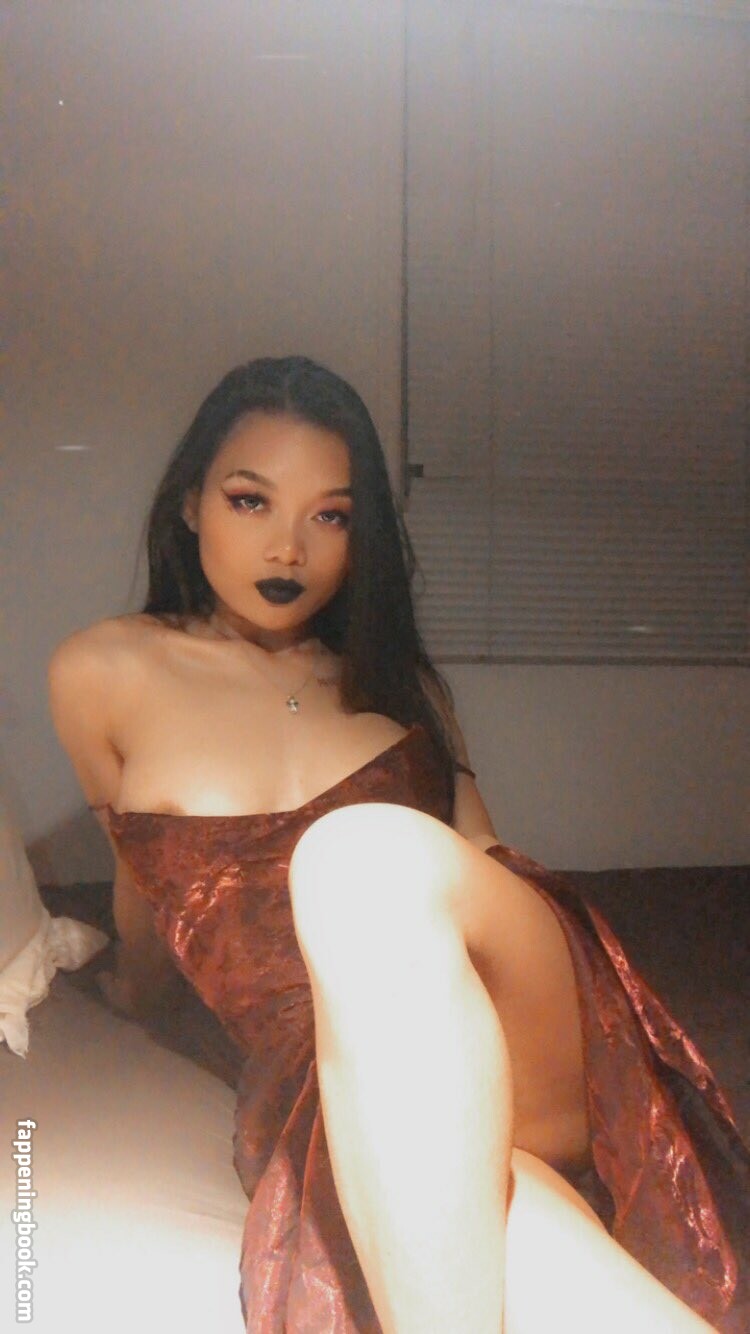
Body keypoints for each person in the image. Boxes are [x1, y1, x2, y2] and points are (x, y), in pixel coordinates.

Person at [48, 355, 748, 1333]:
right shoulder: (103, 670)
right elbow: (143, 875)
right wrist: (132, 988)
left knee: (359, 856)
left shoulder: (389, 676)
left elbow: (484, 860)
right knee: (486, 1203)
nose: (289, 544)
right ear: (190, 503)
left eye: (331, 516)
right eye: (251, 499)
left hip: (531, 1008)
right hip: (344, 1057)